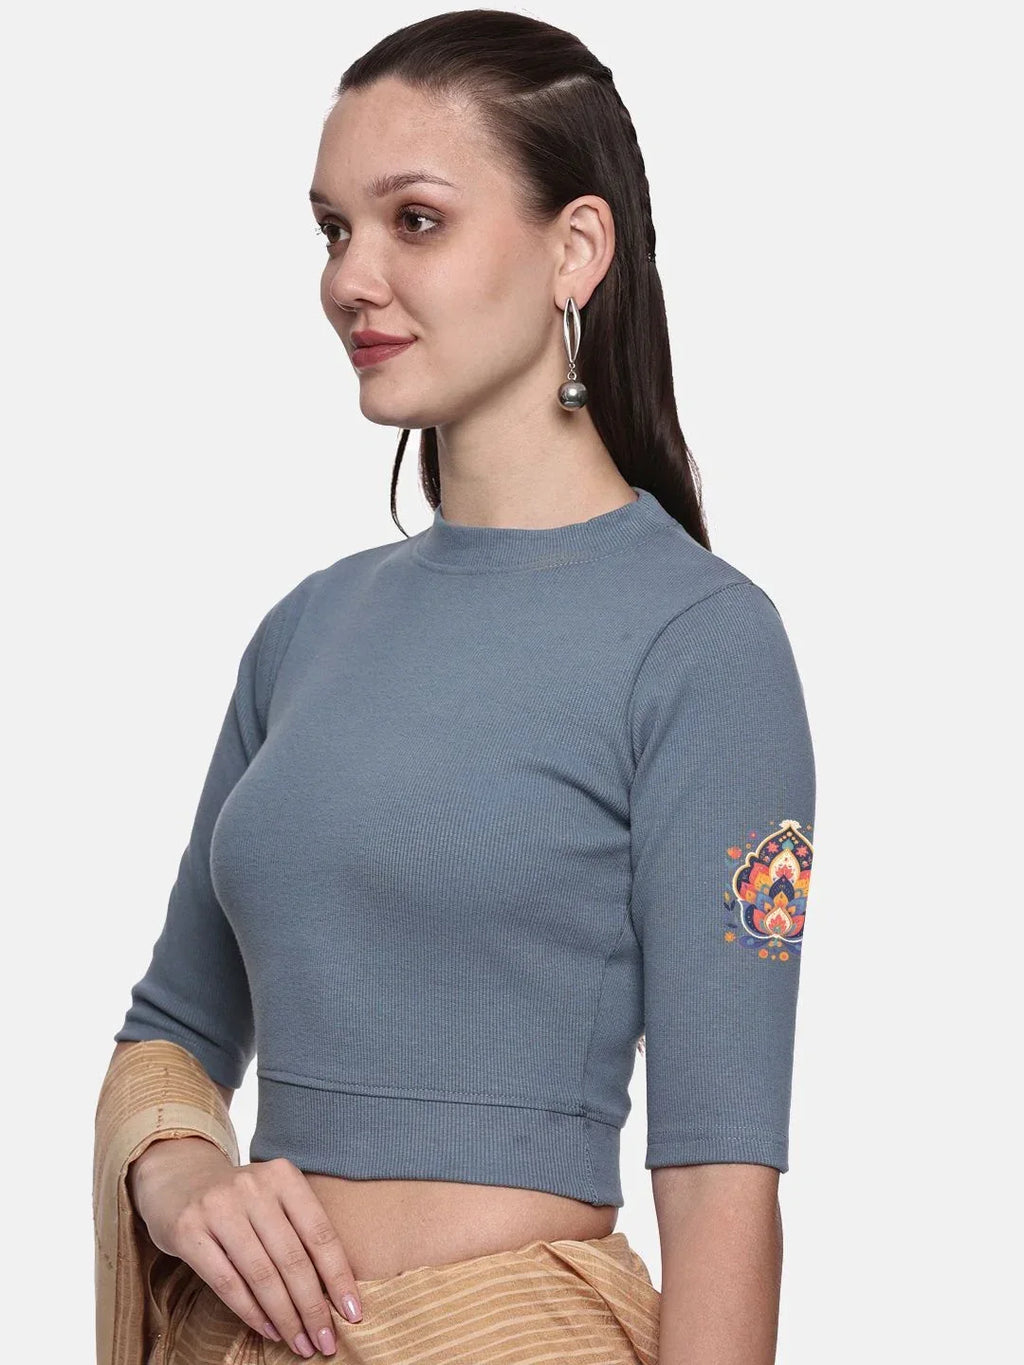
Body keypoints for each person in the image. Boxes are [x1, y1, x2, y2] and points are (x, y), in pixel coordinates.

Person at [93, 10, 816, 1364]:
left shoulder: (703, 644)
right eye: (332, 230)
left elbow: (721, 1177)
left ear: (575, 249)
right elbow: (173, 1031)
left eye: (413, 221)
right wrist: (180, 1174)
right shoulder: (305, 631)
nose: (349, 279)